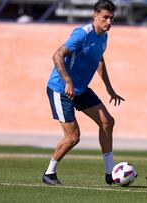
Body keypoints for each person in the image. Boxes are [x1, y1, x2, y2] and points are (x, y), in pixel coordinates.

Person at [43, 0, 124, 186]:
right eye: (105, 17)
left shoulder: (103, 36)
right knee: (73, 137)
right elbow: (57, 55)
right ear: (95, 15)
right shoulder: (81, 34)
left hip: (80, 89)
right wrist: (68, 82)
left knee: (107, 122)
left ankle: (110, 173)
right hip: (60, 89)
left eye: (111, 18)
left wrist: (109, 88)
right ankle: (49, 173)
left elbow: (99, 60)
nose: (109, 22)